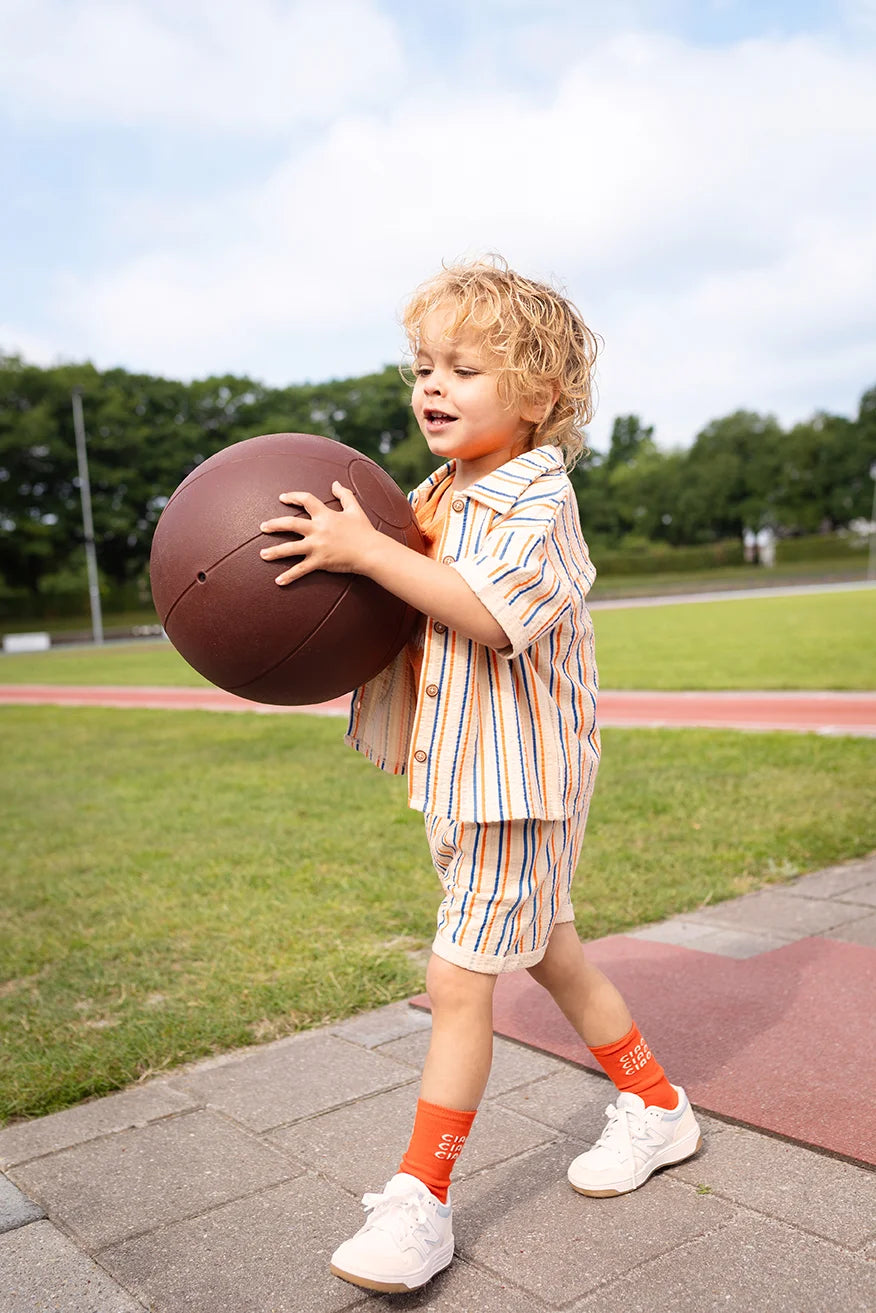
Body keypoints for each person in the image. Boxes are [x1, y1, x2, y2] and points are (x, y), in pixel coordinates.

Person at [259, 257, 701, 1295]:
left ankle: (421, 1196)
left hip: (520, 786)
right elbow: (402, 603)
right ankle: (657, 1105)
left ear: (540, 395)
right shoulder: (434, 493)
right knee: (549, 951)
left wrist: (370, 553)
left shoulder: (537, 501)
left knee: (458, 978)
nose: (432, 386)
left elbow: (487, 613)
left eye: (464, 368)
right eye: (423, 367)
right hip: (462, 777)